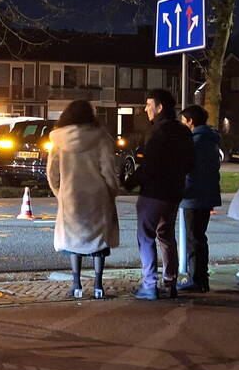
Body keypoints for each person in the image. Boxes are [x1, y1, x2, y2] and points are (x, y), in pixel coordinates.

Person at [123, 88, 194, 300]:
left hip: (153, 194)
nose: (145, 109)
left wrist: (130, 183)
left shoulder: (156, 132)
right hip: (173, 193)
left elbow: (149, 166)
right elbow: (190, 162)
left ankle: (149, 285)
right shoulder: (183, 131)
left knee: (146, 237)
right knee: (166, 236)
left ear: (160, 107)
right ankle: (170, 282)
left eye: (148, 104)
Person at [45, 100, 120, 299]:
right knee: (99, 242)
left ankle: (76, 285)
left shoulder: (58, 140)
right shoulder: (101, 137)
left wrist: (59, 192)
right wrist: (112, 191)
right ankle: (98, 286)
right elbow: (108, 169)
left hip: (71, 195)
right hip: (98, 195)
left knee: (73, 241)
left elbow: (52, 172)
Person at [178, 104, 222, 293]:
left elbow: (189, 170)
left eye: (183, 121)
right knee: (199, 237)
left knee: (194, 238)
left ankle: (196, 279)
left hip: (194, 195)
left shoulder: (195, 141)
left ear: (190, 121)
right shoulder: (210, 139)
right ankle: (201, 277)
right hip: (207, 194)